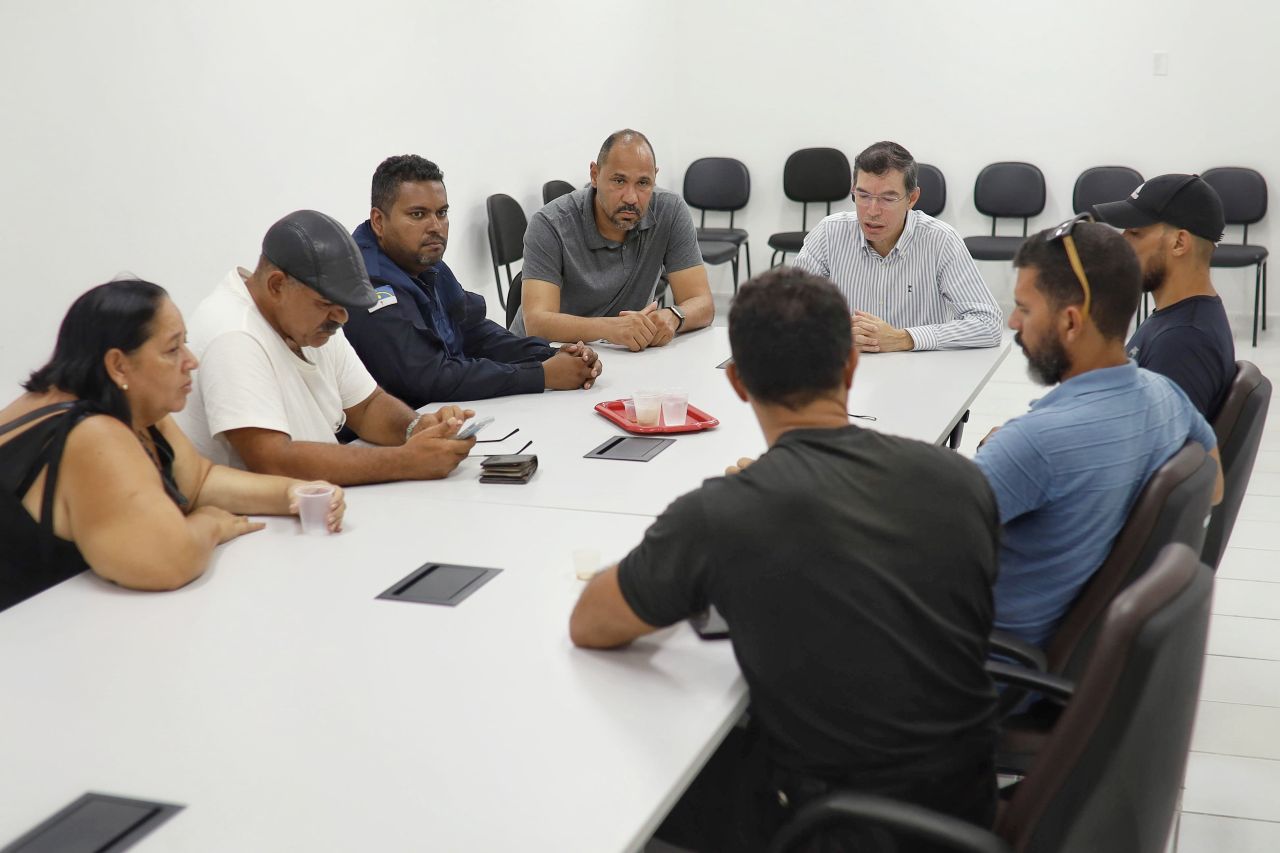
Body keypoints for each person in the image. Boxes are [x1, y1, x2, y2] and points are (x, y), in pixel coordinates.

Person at [570, 268, 1001, 852]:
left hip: (831, 827)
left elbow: (590, 623)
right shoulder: (961, 479)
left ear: (739, 383)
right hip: (968, 801)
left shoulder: (724, 516)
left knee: (630, 785)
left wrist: (742, 514)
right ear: (850, 365)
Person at [0, 280, 346, 613]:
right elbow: (167, 561)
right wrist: (212, 524)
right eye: (172, 349)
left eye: (185, 343)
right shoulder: (91, 433)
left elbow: (198, 481)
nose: (191, 360)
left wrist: (296, 493)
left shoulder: (132, 402)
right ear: (119, 365)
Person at [974, 219, 1223, 648]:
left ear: (1071, 321)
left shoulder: (1032, 445)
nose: (1013, 322)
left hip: (978, 671)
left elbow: (915, 551)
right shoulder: (1166, 396)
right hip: (1068, 653)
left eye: (1025, 308)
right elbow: (1214, 485)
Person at [178, 210, 476, 485]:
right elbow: (272, 461)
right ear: (277, 285)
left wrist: (416, 429)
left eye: (345, 307)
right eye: (327, 305)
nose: (341, 318)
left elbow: (367, 406)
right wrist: (408, 461)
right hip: (259, 531)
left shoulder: (305, 319)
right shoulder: (234, 334)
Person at [344, 155, 602, 405]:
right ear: (379, 221)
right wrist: (541, 374)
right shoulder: (370, 283)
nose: (436, 226)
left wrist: (554, 354)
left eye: (442, 212)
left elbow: (474, 332)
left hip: (442, 415)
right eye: (418, 215)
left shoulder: (422, 260)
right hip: (397, 432)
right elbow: (429, 377)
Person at [513, 129, 714, 350]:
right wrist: (612, 329)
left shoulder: (670, 210)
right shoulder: (550, 223)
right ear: (594, 175)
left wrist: (674, 316)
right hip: (544, 359)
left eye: (643, 183)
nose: (631, 197)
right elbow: (536, 324)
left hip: (620, 357)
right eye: (619, 181)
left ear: (655, 178)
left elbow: (703, 303)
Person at [792, 141, 1001, 352]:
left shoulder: (940, 240)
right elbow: (788, 310)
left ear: (912, 198)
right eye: (863, 196)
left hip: (920, 372)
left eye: (887, 198)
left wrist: (904, 338)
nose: (872, 211)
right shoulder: (829, 234)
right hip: (847, 368)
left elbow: (988, 324)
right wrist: (836, 333)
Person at [1092, 173, 1236, 418]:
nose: (1121, 242)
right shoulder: (1174, 318)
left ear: (1179, 243)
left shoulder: (1182, 343)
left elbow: (1160, 453)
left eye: (1135, 233)